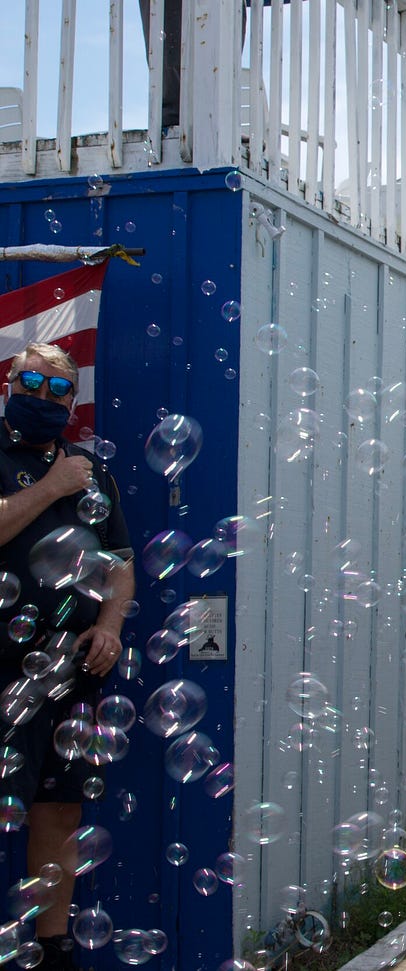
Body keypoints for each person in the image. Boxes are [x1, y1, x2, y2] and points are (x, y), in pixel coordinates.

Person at [0, 342, 134, 971]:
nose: (45, 397)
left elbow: (120, 565)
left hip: (67, 666)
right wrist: (51, 486)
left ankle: (50, 950)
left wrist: (109, 624)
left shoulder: (92, 471)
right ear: (10, 381)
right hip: (2, 663)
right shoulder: (48, 469)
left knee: (59, 806)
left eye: (60, 389)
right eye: (33, 381)